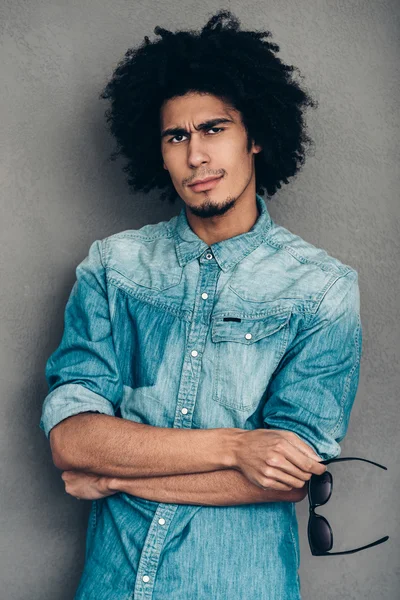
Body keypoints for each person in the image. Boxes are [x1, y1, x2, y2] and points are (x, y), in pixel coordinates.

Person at [40, 9, 362, 600]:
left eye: (214, 129)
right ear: (158, 151)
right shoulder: (113, 266)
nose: (196, 157)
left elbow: (287, 480)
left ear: (255, 134)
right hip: (111, 584)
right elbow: (72, 440)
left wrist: (115, 473)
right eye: (177, 136)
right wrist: (237, 448)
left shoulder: (323, 288)